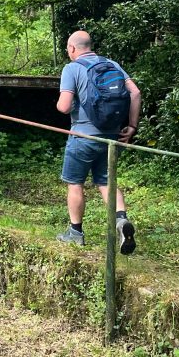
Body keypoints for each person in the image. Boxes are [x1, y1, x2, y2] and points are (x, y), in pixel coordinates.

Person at [56, 30, 141, 254]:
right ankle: (121, 222)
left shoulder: (72, 68)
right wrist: (131, 126)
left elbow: (64, 106)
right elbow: (135, 92)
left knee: (75, 183)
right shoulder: (111, 64)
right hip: (112, 137)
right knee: (106, 182)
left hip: (82, 136)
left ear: (72, 48)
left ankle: (75, 233)